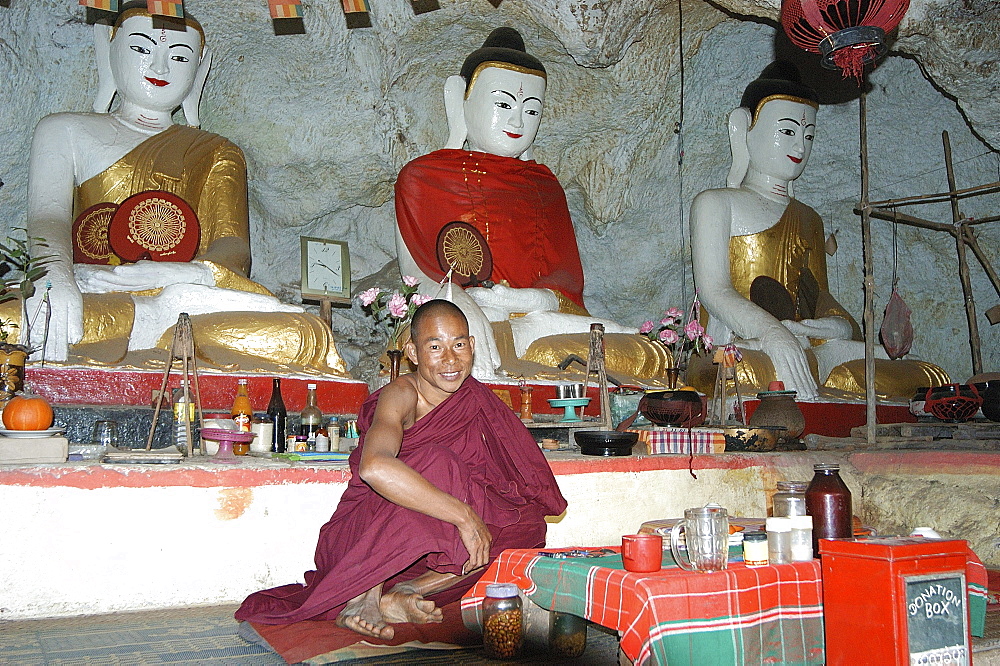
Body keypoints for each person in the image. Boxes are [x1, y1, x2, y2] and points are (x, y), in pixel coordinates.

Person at [23, 3, 344, 373]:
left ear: (200, 67)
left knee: (304, 335)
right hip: (93, 290)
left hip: (188, 298)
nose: (160, 68)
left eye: (179, 56)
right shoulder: (65, 130)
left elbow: (232, 248)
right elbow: (48, 216)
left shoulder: (216, 152)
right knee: (16, 322)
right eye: (142, 50)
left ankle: (160, 320)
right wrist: (54, 278)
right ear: (107, 48)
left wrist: (174, 275)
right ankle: (156, 324)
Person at [235, 299, 567, 637]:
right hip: (366, 538)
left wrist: (475, 516)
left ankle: (408, 592)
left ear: (473, 346)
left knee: (526, 531)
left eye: (459, 344)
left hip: (427, 552)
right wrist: (465, 517)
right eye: (435, 346)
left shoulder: (476, 399)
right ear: (412, 352)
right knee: (438, 463)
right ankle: (366, 594)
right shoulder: (401, 395)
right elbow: (374, 468)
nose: (450, 359)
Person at [395, 27, 669, 381]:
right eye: (504, 104)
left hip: (538, 324)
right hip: (465, 323)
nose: (517, 121)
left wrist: (522, 301)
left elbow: (564, 290)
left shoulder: (544, 186)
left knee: (648, 354)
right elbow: (416, 281)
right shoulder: (422, 177)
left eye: (531, 110)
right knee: (453, 344)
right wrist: (458, 304)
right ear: (460, 99)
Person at [689, 61, 947, 399]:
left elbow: (821, 300)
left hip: (807, 348)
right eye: (787, 131)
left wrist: (831, 325)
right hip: (741, 346)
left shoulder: (809, 219)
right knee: (748, 371)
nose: (800, 148)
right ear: (743, 129)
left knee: (926, 375)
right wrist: (772, 334)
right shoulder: (715, 203)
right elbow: (714, 291)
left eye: (808, 135)